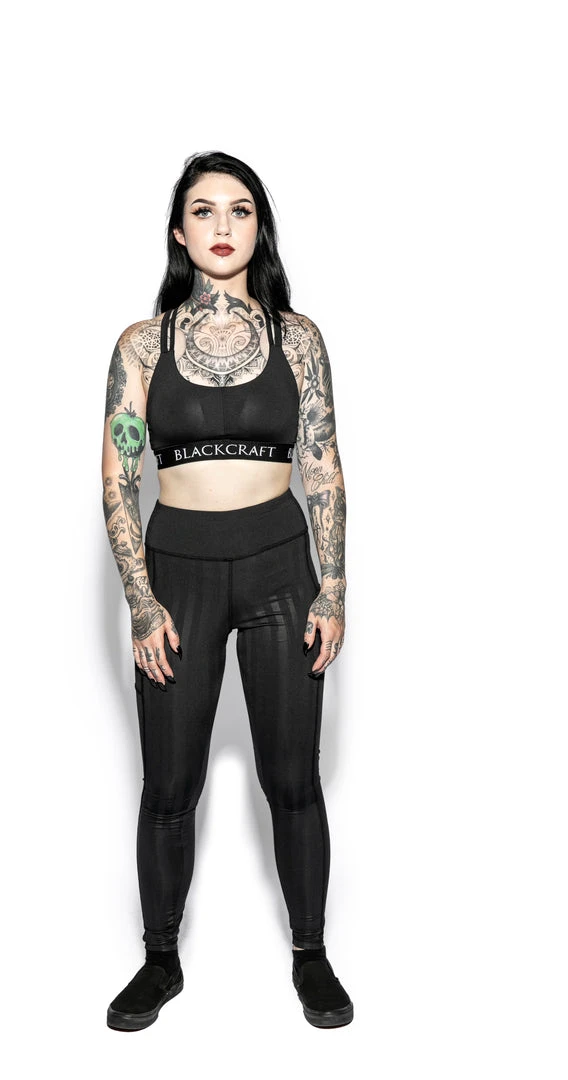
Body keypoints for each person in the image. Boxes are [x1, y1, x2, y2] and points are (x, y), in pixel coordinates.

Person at [101, 151, 352, 1031]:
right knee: (170, 785)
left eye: (239, 210)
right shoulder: (140, 346)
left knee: (293, 778)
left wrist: (332, 589)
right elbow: (117, 480)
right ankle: (159, 960)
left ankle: (311, 954)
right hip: (179, 574)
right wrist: (142, 602)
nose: (221, 225)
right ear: (179, 231)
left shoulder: (298, 338)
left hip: (282, 567)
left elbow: (322, 464)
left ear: (259, 227)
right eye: (203, 210)